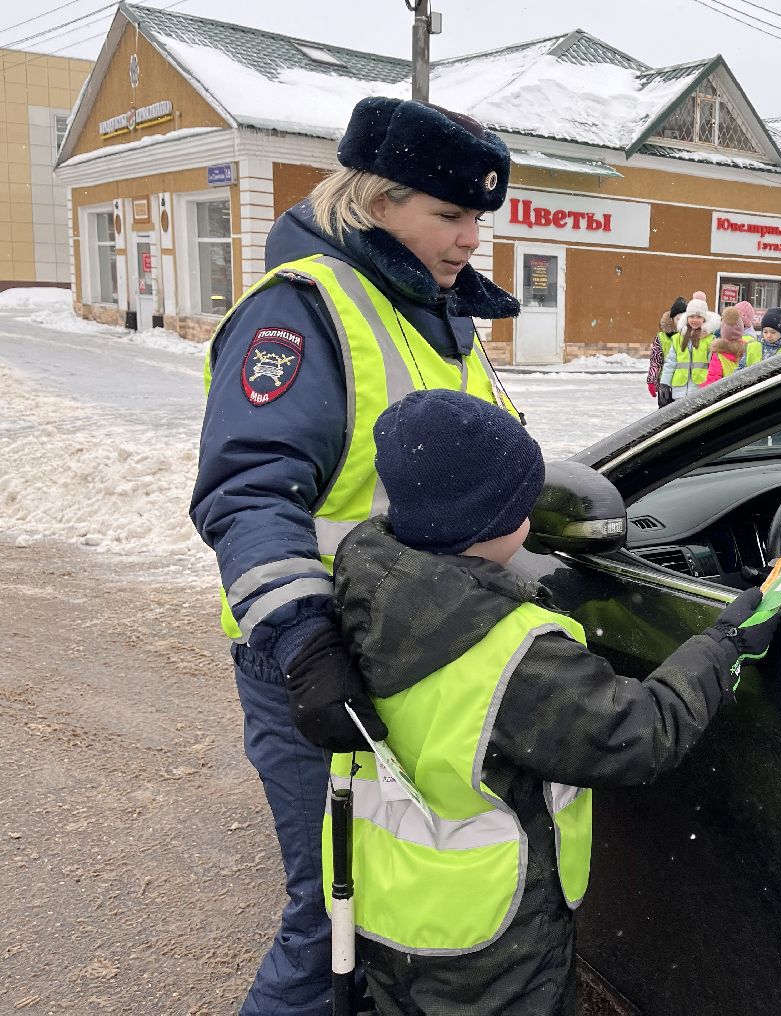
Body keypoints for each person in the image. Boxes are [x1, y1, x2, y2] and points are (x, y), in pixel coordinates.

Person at [190, 95, 521, 1016]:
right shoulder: (303, 312)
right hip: (318, 663)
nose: (469, 241)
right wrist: (303, 646)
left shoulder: (439, 314)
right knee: (331, 913)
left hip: (409, 657)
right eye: (448, 216)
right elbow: (250, 495)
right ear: (375, 201)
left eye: (477, 219)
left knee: (390, 910)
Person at [328, 389, 779, 1015]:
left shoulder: (369, 579)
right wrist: (724, 642)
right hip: (491, 935)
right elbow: (637, 734)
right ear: (497, 522)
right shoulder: (506, 651)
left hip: (394, 897)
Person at [659, 294, 720, 403]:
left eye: (699, 317)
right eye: (692, 317)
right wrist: (664, 383)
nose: (695, 320)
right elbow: (670, 363)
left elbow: (713, 366)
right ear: (687, 318)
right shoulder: (678, 338)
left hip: (700, 390)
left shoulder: (710, 340)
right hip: (679, 391)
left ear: (704, 319)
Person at [648, 296, 687, 407]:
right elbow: (655, 361)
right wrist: (652, 380)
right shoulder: (661, 337)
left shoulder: (691, 337)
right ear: (672, 320)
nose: (680, 322)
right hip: (666, 385)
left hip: (684, 385)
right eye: (677, 319)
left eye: (683, 318)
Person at [703, 306, 749, 385]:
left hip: (726, 394)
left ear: (723, 331)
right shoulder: (748, 349)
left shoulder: (719, 354)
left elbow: (713, 378)